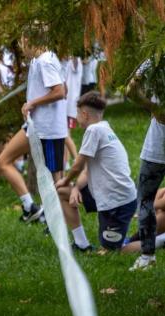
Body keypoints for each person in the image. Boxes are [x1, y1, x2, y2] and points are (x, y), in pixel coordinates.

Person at [54, 92, 137, 252]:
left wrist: (64, 180)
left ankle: (156, 242)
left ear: (84, 114)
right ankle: (81, 244)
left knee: (113, 251)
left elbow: (77, 166)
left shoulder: (94, 130)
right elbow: (85, 168)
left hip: (118, 203)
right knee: (63, 192)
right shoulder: (103, 127)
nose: (77, 117)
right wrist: (76, 188)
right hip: (104, 195)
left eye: (77, 113)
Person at [0, 40, 68, 223]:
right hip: (33, 126)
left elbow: (60, 91)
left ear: (31, 40)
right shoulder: (38, 60)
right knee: (3, 161)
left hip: (49, 130)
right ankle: (30, 207)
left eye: (22, 42)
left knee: (56, 181)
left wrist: (32, 104)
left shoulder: (46, 60)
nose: (21, 46)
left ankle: (66, 225)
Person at [126, 60, 165, 270]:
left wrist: (152, 106)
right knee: (146, 200)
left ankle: (148, 255)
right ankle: (148, 253)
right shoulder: (156, 57)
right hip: (156, 146)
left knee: (146, 200)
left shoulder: (156, 57)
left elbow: (131, 88)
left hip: (157, 146)